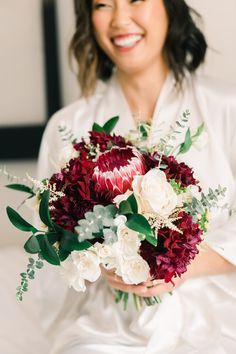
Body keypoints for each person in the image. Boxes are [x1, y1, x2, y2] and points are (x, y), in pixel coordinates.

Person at [37, 0, 236, 353]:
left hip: (218, 315)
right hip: (107, 327)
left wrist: (183, 263)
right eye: (102, 4)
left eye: (135, 0)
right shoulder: (68, 127)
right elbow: (50, 254)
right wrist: (103, 257)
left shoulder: (226, 107)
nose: (119, 19)